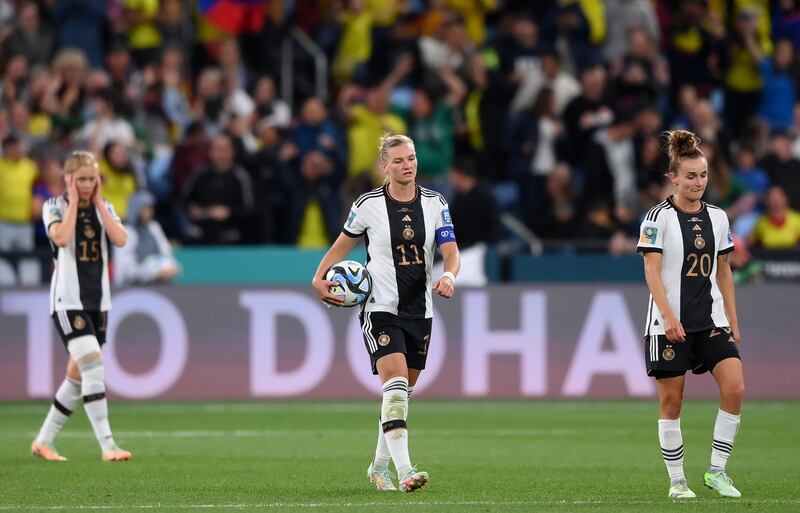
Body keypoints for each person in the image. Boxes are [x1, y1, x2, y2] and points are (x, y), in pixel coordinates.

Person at [312, 134, 460, 492]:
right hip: (379, 307)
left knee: (402, 395)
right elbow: (341, 246)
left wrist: (450, 276)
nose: (407, 165)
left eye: (410, 159)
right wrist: (318, 278)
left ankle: (379, 467)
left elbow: (451, 251)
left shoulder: (435, 203)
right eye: (398, 161)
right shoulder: (367, 205)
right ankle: (406, 471)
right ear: (385, 166)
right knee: (394, 389)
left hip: (419, 310)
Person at [637, 130, 744, 499]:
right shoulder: (657, 218)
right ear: (674, 177)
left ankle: (717, 471)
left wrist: (731, 316)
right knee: (673, 402)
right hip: (668, 324)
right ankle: (677, 482)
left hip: (712, 321)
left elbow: (724, 268)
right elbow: (652, 271)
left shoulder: (718, 217)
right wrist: (668, 317)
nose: (698, 182)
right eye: (691, 176)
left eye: (703, 175)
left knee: (735, 388)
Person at [31, 151, 132, 462]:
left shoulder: (106, 208)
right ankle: (108, 445)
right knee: (93, 365)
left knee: (76, 379)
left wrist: (99, 203)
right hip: (67, 300)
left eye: (93, 179)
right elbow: (60, 238)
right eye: (82, 179)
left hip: (97, 301)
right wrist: (74, 201)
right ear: (69, 179)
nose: (88, 185)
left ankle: (43, 441)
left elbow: (120, 239)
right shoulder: (54, 206)